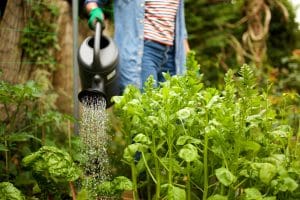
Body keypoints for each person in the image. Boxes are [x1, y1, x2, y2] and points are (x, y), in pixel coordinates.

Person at [84, 0, 190, 93]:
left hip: (173, 56)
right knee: (146, 108)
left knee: (172, 110)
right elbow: (92, 1)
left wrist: (189, 61)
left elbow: (180, 27)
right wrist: (94, 11)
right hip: (143, 53)